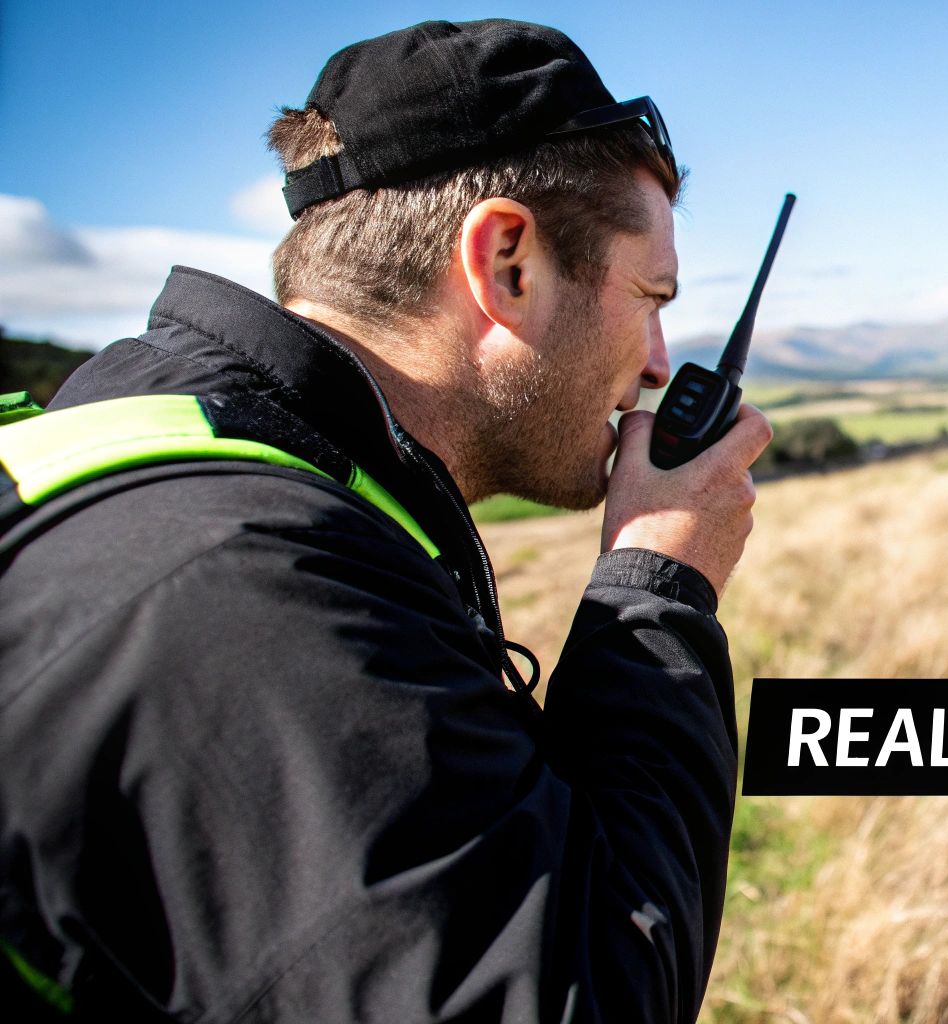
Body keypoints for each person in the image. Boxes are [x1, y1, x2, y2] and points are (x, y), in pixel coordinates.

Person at [0, 20, 771, 1023]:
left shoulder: (178, 460)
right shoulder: (248, 587)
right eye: (649, 294)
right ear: (506, 262)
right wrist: (659, 585)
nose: (661, 362)